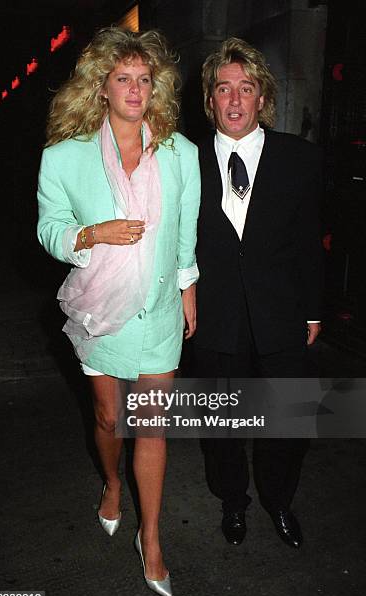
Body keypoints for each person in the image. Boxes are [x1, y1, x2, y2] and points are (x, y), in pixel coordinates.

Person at [37, 26, 200, 596]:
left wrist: (188, 286)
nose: (135, 89)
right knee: (110, 421)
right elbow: (48, 227)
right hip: (99, 308)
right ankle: (110, 481)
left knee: (151, 426)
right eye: (123, 79)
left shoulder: (181, 152)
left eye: (144, 79)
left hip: (156, 307)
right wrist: (91, 233)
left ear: (156, 89)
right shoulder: (64, 158)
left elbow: (184, 232)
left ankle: (151, 538)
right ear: (101, 88)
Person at [191, 38, 323, 548]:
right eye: (224, 89)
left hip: (282, 314)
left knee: (289, 420)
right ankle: (234, 502)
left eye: (246, 88)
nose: (235, 100)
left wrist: (313, 310)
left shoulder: (300, 158)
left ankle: (278, 500)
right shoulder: (186, 161)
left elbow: (310, 241)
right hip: (215, 316)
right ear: (210, 101)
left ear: (263, 97)